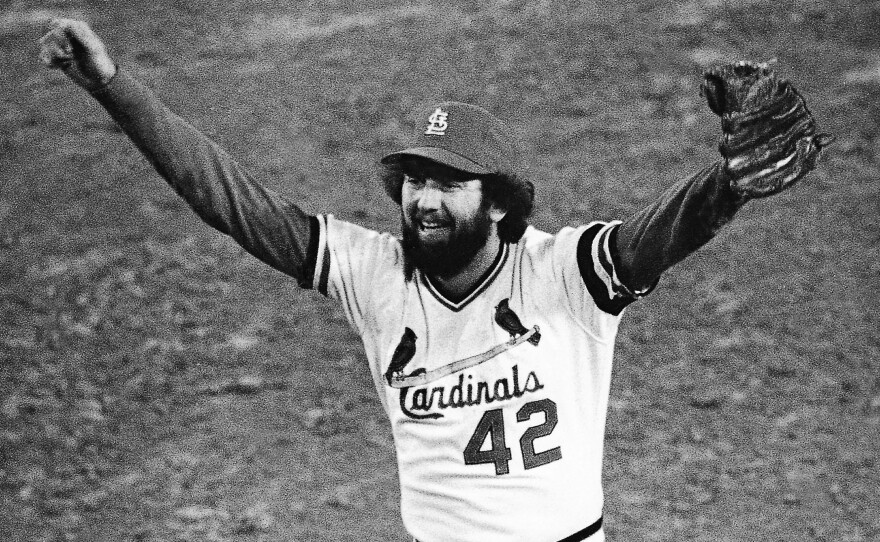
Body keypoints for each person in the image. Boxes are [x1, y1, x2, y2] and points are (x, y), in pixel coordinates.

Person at [38, 18, 829, 542]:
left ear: (497, 201)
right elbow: (230, 200)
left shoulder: (560, 272)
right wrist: (115, 86)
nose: (422, 198)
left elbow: (655, 237)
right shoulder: (372, 273)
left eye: (447, 183)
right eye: (414, 179)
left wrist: (726, 185)